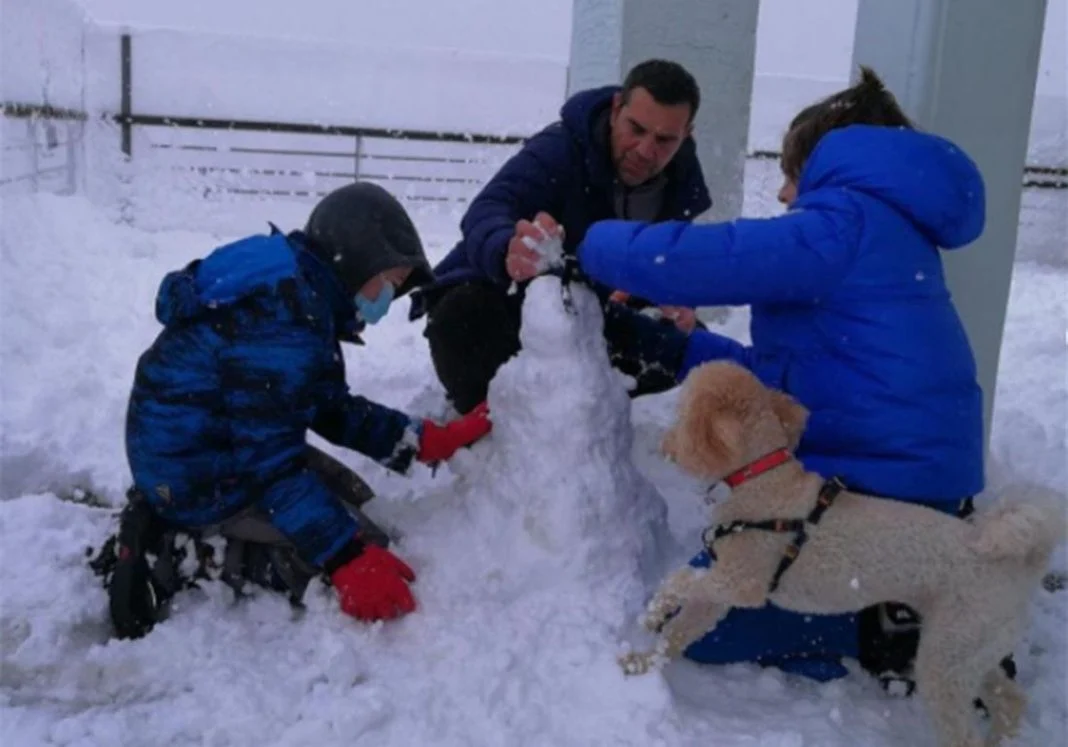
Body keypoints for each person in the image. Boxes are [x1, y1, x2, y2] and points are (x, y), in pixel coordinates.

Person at [573, 68, 996, 688]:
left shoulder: (844, 220)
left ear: (825, 164)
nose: (782, 195)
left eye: (791, 174)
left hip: (883, 498)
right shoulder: (888, 229)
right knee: (713, 589)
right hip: (908, 486)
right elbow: (792, 379)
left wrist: (589, 238)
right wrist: (685, 347)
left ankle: (892, 620)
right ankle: (902, 592)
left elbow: (708, 261)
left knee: (701, 620)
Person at [107, 182, 493, 639]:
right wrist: (343, 558)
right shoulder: (283, 318)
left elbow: (326, 407)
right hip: (199, 472)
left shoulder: (302, 296)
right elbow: (269, 464)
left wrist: (420, 440)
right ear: (357, 258)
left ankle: (183, 513)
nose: (386, 300)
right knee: (340, 557)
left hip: (214, 446)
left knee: (355, 500)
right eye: (388, 282)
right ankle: (182, 549)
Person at [410, 58, 713, 414]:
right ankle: (499, 426)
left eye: (664, 140)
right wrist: (507, 247)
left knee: (684, 345)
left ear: (687, 135)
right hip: (507, 299)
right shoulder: (560, 149)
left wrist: (673, 304)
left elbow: (668, 270)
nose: (646, 151)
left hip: (595, 315)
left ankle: (590, 414)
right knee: (461, 317)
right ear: (616, 109)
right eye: (636, 129)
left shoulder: (680, 187)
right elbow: (488, 208)